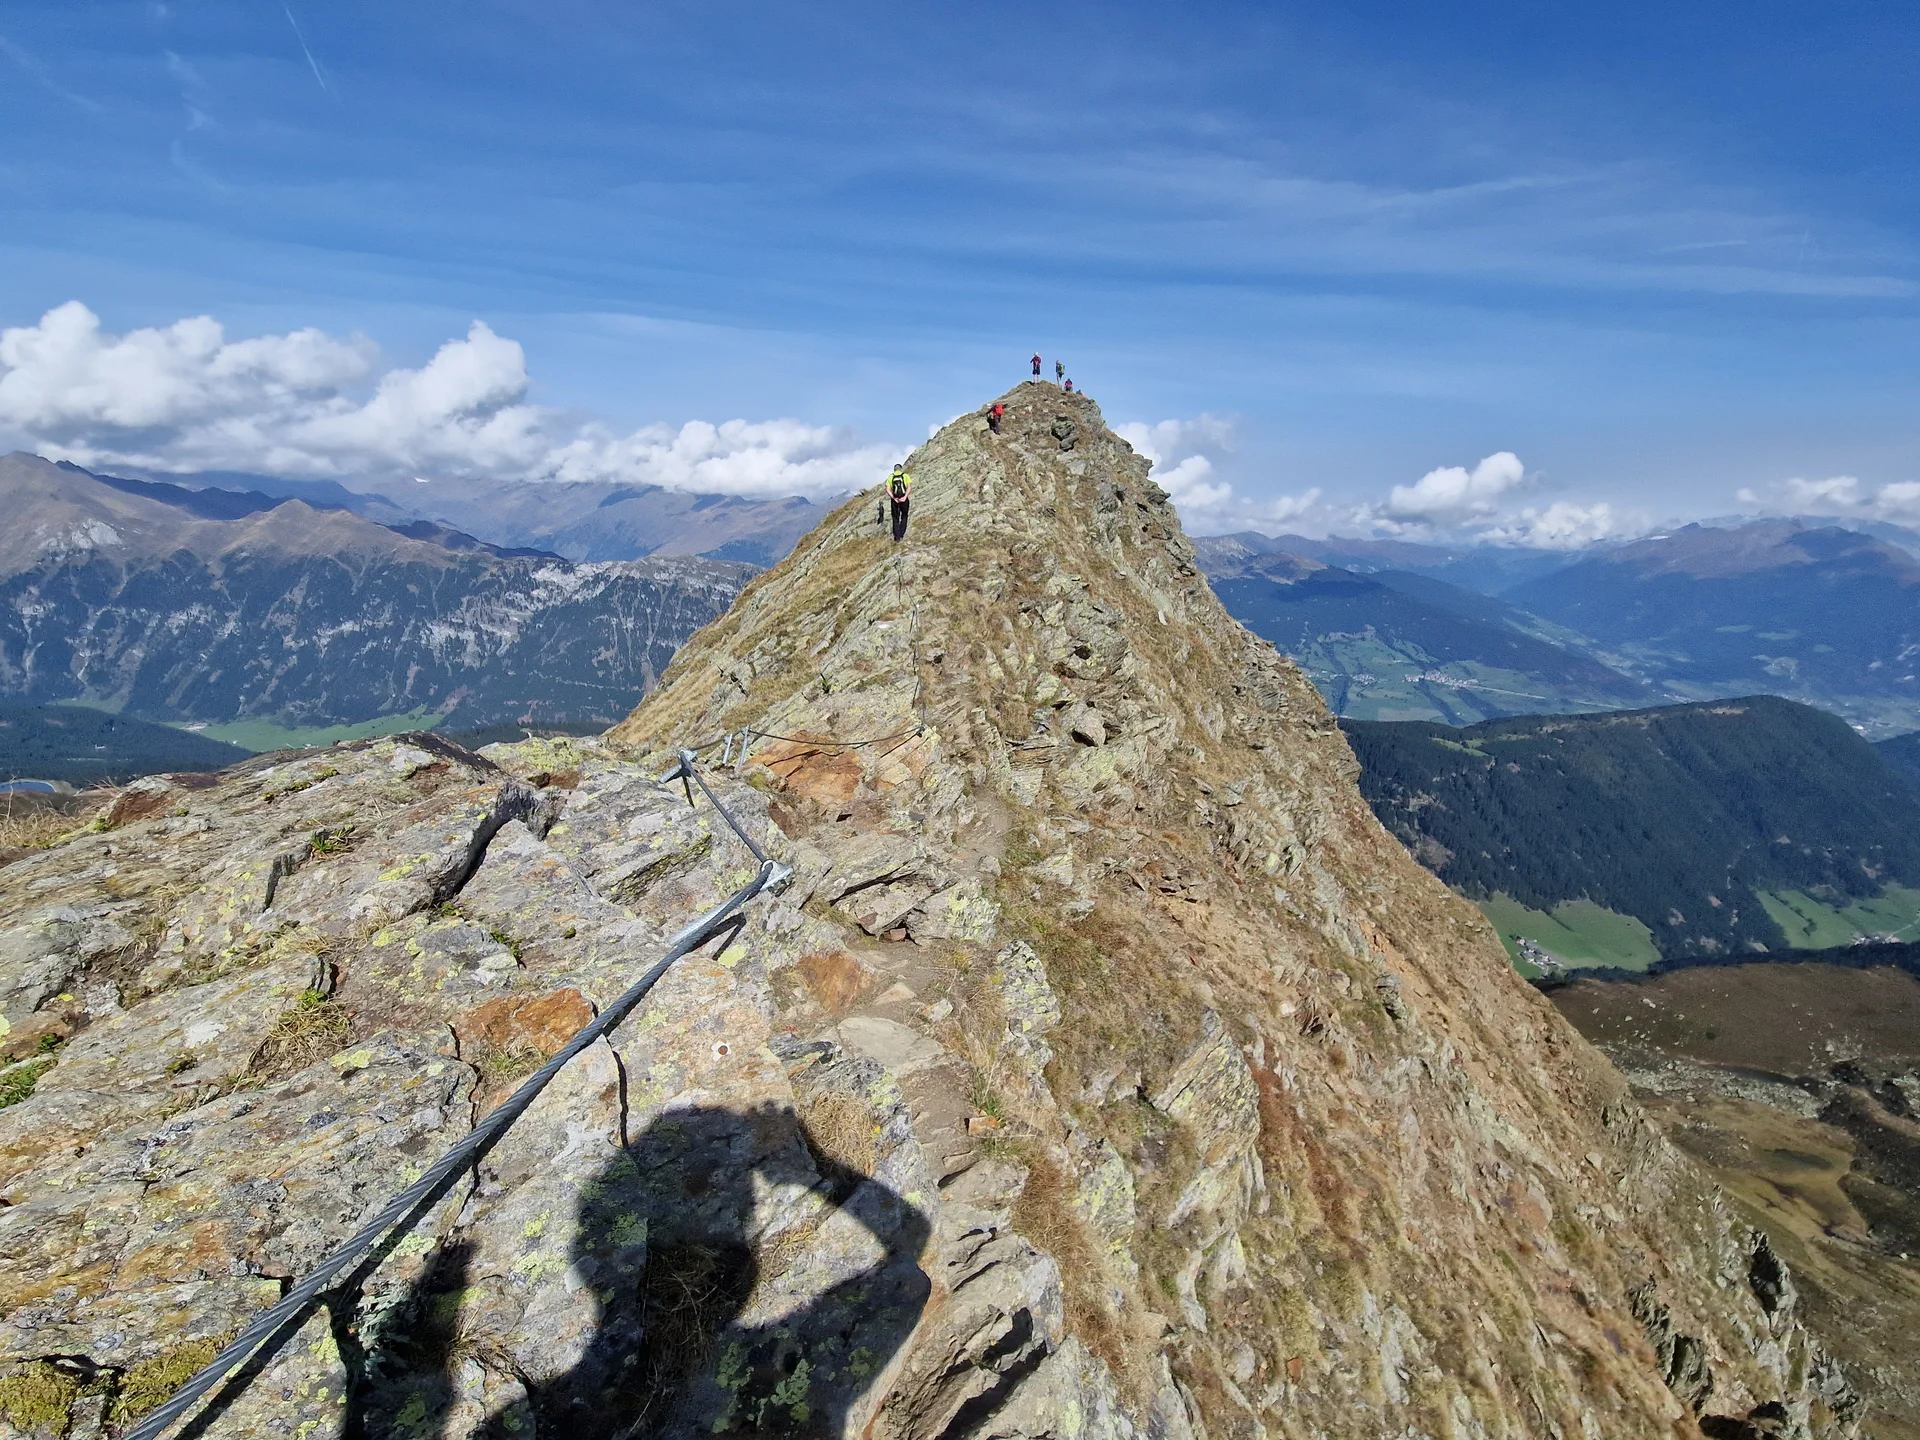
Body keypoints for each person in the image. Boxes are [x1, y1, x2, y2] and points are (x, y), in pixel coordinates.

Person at [887, 463, 913, 542]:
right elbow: (909, 487)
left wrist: (894, 497)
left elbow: (888, 489)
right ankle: (901, 534)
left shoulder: (891, 477)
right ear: (901, 468)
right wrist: (905, 497)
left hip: (895, 500)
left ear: (894, 469)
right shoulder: (905, 476)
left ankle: (897, 537)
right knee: (904, 516)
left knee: (895, 518)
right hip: (904, 499)